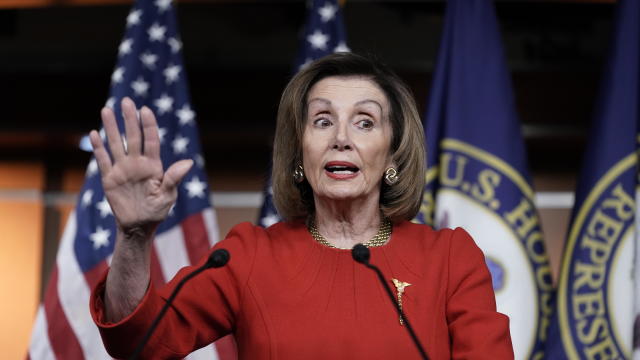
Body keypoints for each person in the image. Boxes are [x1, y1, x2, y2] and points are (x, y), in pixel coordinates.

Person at [89, 53, 513, 359]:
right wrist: (134, 234)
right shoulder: (249, 256)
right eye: (323, 121)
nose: (341, 138)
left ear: (393, 155)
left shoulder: (450, 259)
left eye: (365, 122)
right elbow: (138, 342)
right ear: (300, 153)